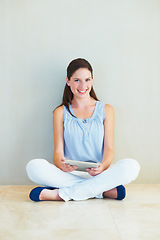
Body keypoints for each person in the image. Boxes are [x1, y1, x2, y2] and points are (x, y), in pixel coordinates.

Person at [26, 58, 140, 202]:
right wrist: (61, 164)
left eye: (87, 80)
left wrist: (103, 166)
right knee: (33, 167)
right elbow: (57, 153)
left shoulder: (107, 110)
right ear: (68, 81)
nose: (83, 85)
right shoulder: (60, 112)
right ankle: (101, 191)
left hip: (99, 174)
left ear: (92, 80)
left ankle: (60, 195)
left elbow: (109, 149)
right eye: (77, 80)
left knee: (131, 166)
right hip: (69, 175)